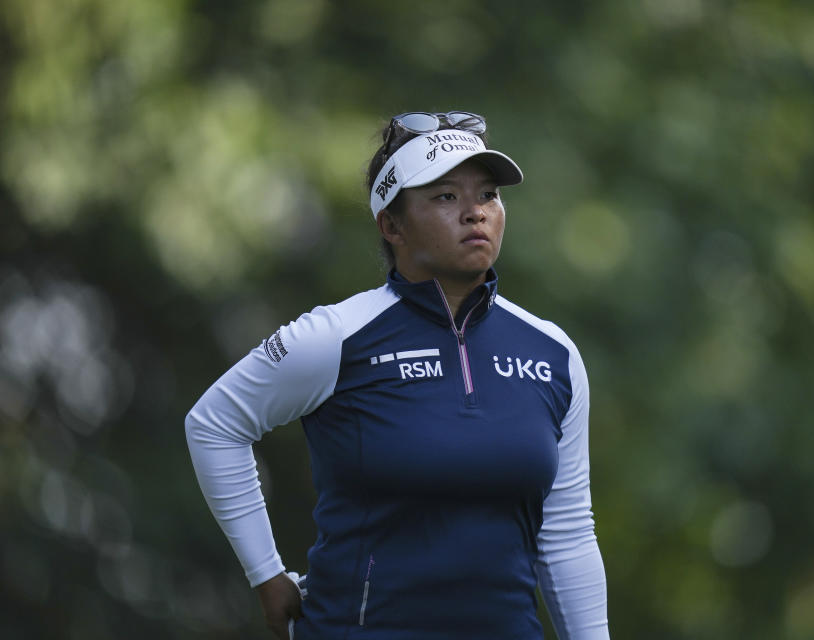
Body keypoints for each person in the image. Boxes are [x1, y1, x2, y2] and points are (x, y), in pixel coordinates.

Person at [185, 111, 609, 639]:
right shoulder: (335, 336)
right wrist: (265, 574)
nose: (475, 212)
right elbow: (214, 424)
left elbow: (567, 535)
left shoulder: (553, 354)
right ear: (392, 224)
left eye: (488, 195)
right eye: (446, 197)